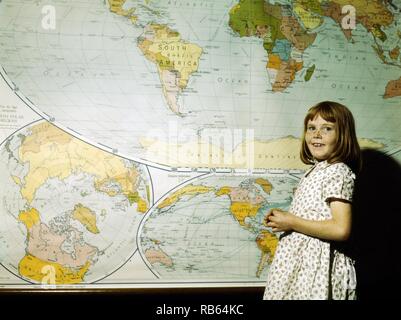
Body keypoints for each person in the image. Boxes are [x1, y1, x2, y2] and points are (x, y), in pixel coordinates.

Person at [263, 101, 361, 300]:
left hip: (317, 270)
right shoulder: (314, 171)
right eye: (312, 128)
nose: (317, 134)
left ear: (342, 136)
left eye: (327, 128)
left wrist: (291, 222)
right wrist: (284, 219)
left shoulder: (338, 172)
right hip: (300, 265)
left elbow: (341, 229)